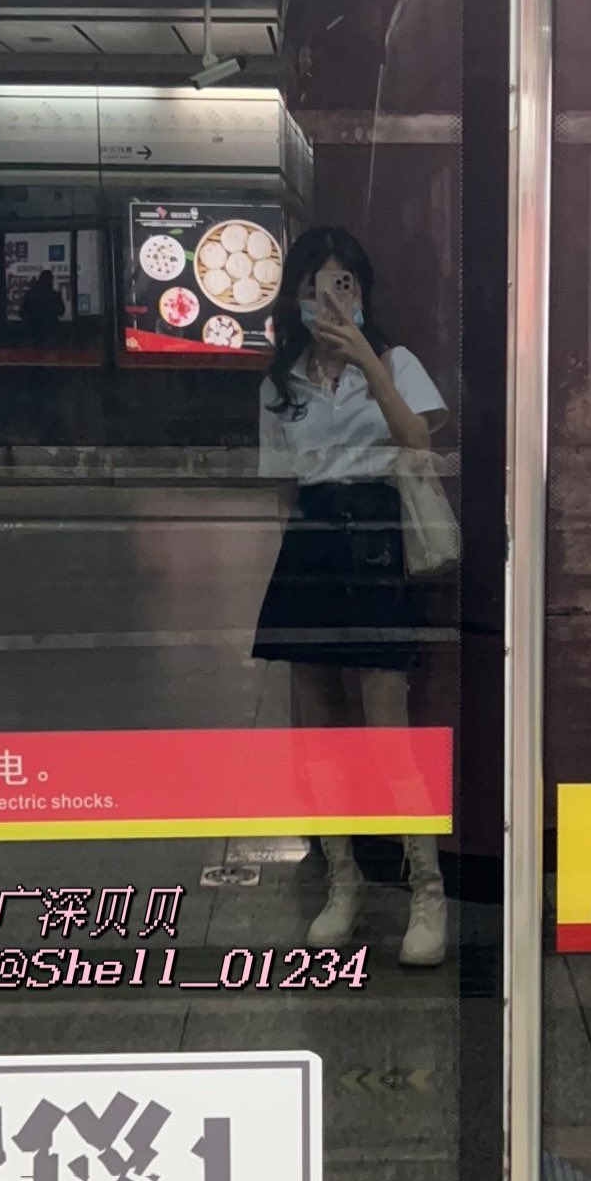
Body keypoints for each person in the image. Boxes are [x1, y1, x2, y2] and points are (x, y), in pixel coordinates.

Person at [252, 226, 452, 965]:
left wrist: (368, 359)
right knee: (320, 735)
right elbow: (282, 485)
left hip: (375, 540)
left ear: (363, 293)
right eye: (313, 288)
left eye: (343, 285)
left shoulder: (395, 362)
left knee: (388, 732)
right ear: (294, 300)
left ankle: (427, 891)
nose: (328, 301)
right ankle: (344, 882)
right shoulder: (280, 383)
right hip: (311, 545)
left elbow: (418, 441)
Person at [20, 269, 64, 346]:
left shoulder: (30, 294)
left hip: (32, 334)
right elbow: (61, 311)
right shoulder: (54, 295)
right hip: (49, 335)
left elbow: (21, 312)